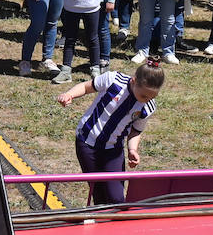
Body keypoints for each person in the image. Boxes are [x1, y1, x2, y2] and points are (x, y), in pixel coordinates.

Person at [55, 63, 164, 205]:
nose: (147, 99)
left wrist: (132, 150)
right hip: (87, 142)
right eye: (144, 95)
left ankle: (115, 221)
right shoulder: (113, 80)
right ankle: (101, 220)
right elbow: (86, 87)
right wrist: (69, 94)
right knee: (98, 191)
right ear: (133, 80)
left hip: (113, 149)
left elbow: (136, 131)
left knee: (116, 197)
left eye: (152, 96)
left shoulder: (147, 108)